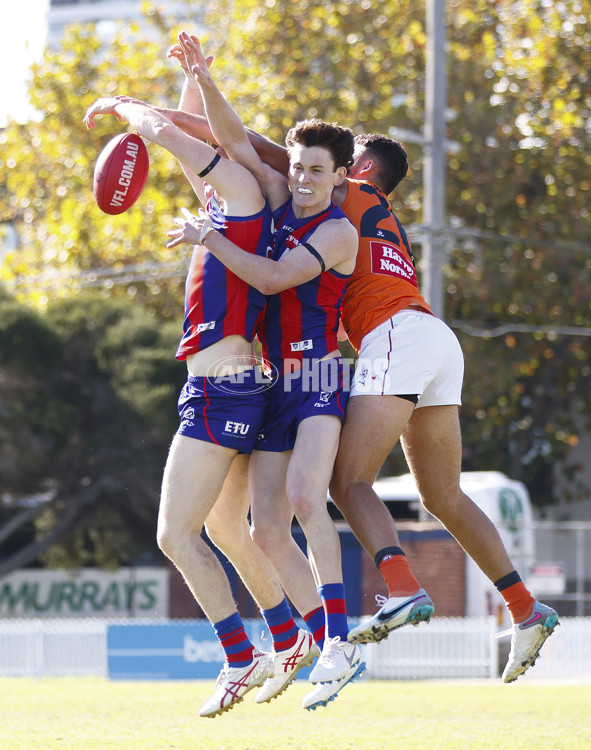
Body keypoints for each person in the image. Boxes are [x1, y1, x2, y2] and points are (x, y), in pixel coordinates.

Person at [162, 105, 559, 690]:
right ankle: (527, 608)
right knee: (441, 494)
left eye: (329, 167)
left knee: (345, 485)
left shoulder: (347, 194)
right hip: (435, 340)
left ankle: (400, 591)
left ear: (358, 167)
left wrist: (167, 118)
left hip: (395, 338)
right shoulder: (384, 220)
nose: (308, 176)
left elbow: (248, 146)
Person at [83, 61, 318, 717]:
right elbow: (189, 128)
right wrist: (195, 74)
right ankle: (287, 638)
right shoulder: (234, 198)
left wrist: (118, 105)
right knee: (227, 528)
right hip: (232, 386)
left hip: (224, 390)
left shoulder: (242, 192)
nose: (207, 145)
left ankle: (240, 658)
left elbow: (168, 131)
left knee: (173, 535)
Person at [166, 32, 365, 712]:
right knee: (260, 531)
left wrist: (208, 237)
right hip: (275, 387)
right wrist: (202, 78)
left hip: (318, 381)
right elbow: (235, 143)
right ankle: (306, 638)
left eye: (317, 170)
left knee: (310, 498)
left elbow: (277, 278)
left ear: (340, 176)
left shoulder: (337, 231)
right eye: (300, 167)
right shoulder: (280, 199)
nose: (304, 178)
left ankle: (339, 639)